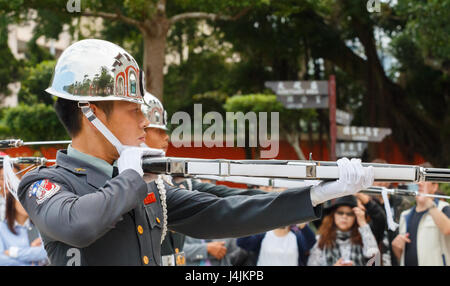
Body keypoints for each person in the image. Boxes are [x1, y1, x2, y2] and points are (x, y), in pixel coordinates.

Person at [16, 39, 374, 266]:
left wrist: (317, 195)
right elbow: (79, 225)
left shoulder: (145, 186)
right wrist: (129, 177)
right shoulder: (44, 183)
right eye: (133, 110)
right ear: (91, 112)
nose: (144, 121)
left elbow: (224, 212)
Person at [392, 163, 450, 266]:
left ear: (435, 186)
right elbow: (402, 257)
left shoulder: (443, 208)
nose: (419, 183)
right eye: (417, 180)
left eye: (424, 180)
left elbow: (447, 229)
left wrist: (428, 202)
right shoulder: (405, 215)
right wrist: (397, 248)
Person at [307, 196, 379, 266]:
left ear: (355, 217)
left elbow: (373, 255)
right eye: (340, 213)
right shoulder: (321, 239)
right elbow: (311, 264)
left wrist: (362, 223)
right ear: (333, 215)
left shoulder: (363, 237)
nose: (344, 217)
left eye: (350, 214)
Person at [0, 193, 48, 266]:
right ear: (12, 202)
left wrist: (14, 252)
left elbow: (45, 253)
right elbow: (1, 260)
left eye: (29, 200)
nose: (26, 204)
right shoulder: (1, 228)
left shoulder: (39, 227)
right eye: (21, 199)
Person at [237, 223, 316, 266]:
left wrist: (303, 224)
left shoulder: (297, 237)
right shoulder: (262, 235)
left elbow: (311, 242)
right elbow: (241, 242)